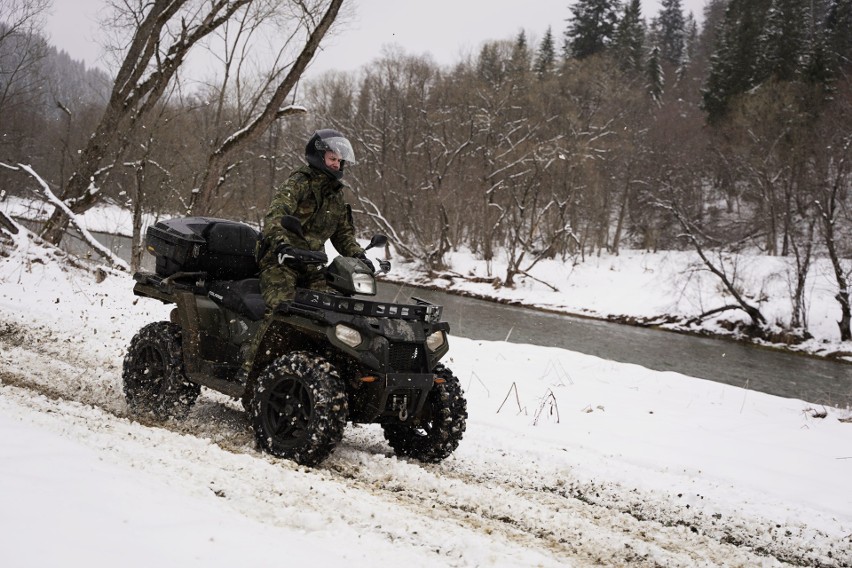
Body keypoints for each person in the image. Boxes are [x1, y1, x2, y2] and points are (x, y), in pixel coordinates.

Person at [256, 128, 373, 310]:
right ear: (319, 156)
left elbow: (343, 234)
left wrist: (359, 256)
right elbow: (275, 216)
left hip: (314, 265)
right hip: (281, 261)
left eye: (339, 160)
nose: (336, 164)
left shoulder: (336, 195)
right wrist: (282, 245)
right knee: (282, 308)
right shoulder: (299, 183)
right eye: (332, 159)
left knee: (333, 309)